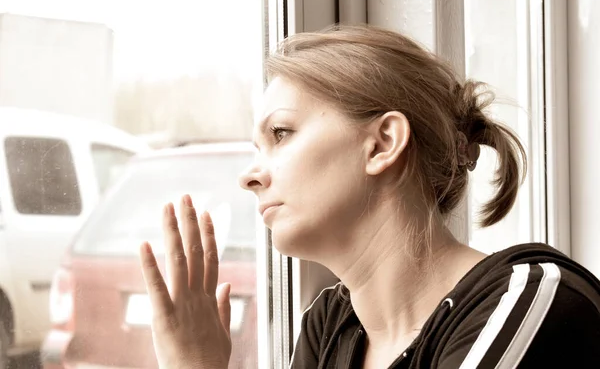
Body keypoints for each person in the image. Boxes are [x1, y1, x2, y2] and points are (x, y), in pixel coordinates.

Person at [138, 25, 600, 369]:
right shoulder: (330, 327)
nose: (250, 177)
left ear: (381, 144)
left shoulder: (529, 302)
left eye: (281, 133)